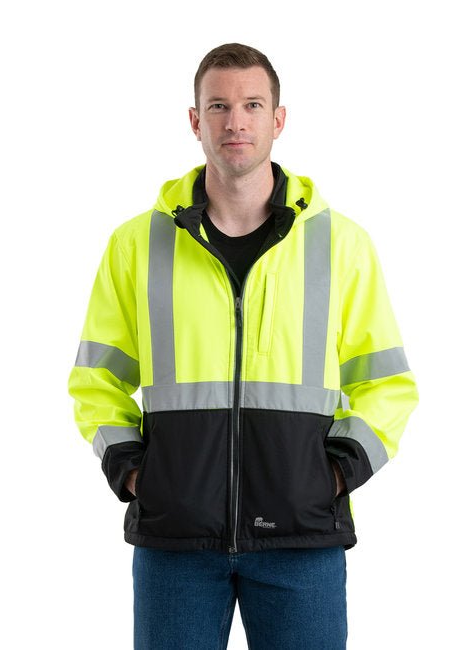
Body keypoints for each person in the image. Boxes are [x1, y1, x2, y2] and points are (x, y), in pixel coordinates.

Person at [68, 43, 418, 650]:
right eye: (219, 106)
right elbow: (96, 379)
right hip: (176, 541)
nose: (236, 121)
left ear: (278, 119)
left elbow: (386, 382)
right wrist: (133, 473)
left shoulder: (340, 244)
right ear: (195, 120)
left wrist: (337, 474)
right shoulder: (137, 244)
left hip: (301, 541)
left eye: (253, 105)